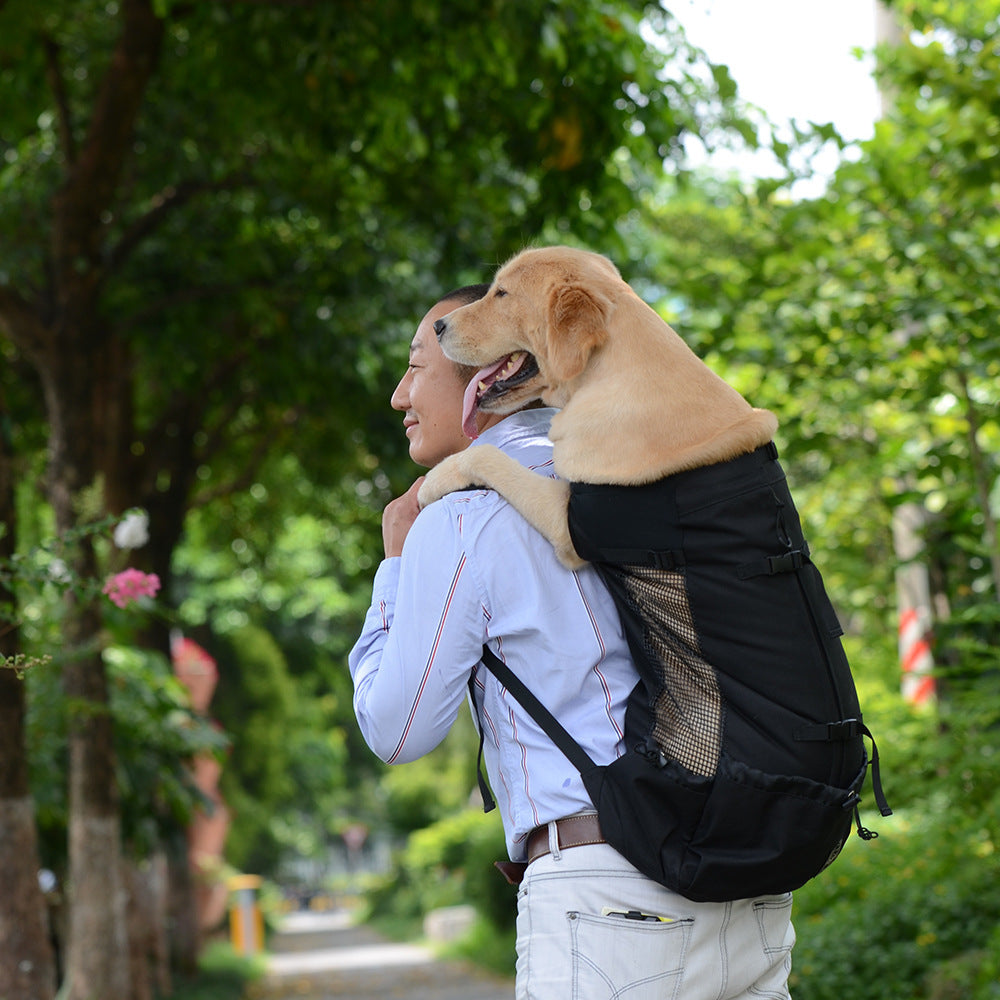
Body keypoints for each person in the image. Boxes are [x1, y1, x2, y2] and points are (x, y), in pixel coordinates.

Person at [349, 285, 796, 999]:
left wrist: (397, 565)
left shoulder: (461, 518)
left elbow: (397, 730)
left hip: (607, 901)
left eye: (416, 366)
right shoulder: (642, 474)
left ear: (486, 375)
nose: (401, 395)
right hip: (749, 891)